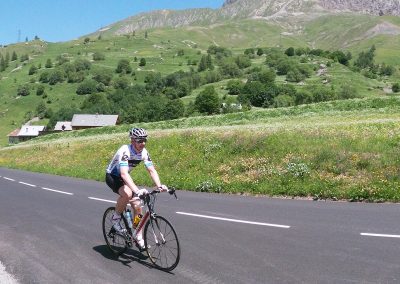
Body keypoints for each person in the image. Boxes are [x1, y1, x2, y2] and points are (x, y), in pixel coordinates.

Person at [105, 127, 167, 249]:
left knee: (138, 205)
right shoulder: (125, 150)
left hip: (124, 178)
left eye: (144, 140)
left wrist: (159, 186)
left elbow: (151, 170)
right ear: (132, 140)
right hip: (113, 176)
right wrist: (137, 191)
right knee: (127, 193)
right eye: (139, 140)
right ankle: (116, 218)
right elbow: (123, 173)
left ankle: (137, 233)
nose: (142, 143)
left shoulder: (144, 152)